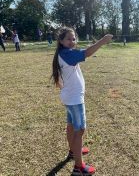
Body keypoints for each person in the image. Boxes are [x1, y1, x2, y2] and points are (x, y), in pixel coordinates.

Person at [51, 27, 113, 175]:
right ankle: (78, 167)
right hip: (74, 99)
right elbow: (87, 53)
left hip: (69, 97)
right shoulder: (67, 54)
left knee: (71, 125)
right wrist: (102, 41)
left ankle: (73, 151)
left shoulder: (63, 53)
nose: (72, 42)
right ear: (61, 41)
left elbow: (81, 53)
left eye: (74, 39)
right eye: (68, 39)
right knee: (80, 130)